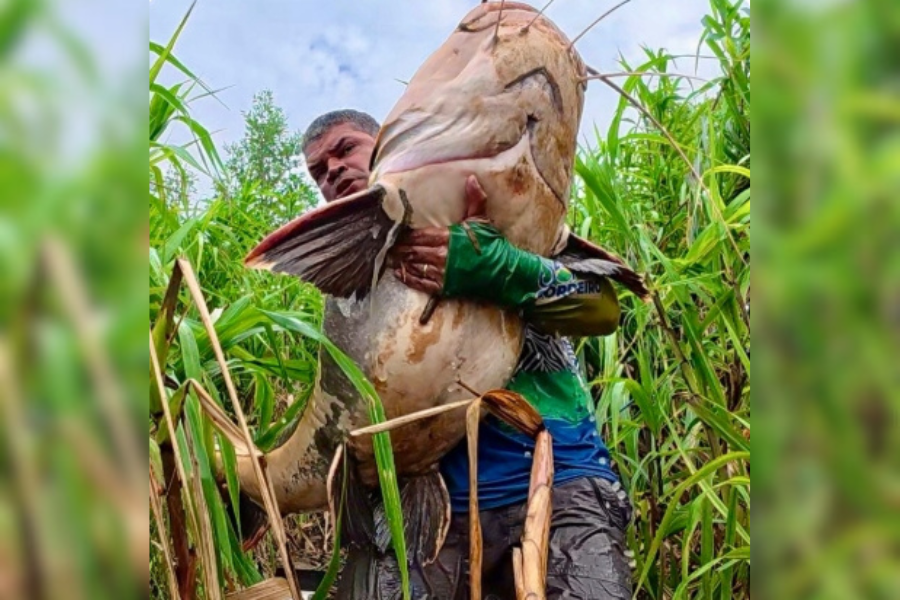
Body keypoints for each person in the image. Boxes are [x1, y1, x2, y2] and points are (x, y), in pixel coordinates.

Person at [302, 109, 633, 600]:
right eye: (318, 171)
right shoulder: (346, 289)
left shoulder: (490, 205)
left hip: (557, 477)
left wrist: (496, 265)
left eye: (345, 149)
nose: (332, 171)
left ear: (388, 145)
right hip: (428, 512)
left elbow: (602, 309)